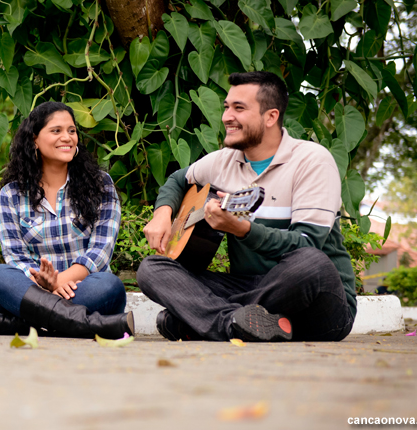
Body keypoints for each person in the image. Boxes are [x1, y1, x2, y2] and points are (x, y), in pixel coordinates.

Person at [137, 72, 356, 342]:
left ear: (271, 117)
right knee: (152, 269)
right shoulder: (222, 161)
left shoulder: (311, 161)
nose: (227, 116)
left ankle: (214, 319)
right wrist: (162, 214)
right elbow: (177, 180)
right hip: (249, 286)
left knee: (311, 264)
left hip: (315, 302)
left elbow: (306, 244)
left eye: (239, 108)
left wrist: (243, 231)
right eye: (227, 107)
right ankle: (237, 323)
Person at [0, 101, 134, 339]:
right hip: (34, 288)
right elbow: (15, 258)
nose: (67, 137)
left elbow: (100, 252)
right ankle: (76, 323)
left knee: (109, 286)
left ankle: (33, 323)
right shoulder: (11, 194)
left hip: (84, 290)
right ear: (34, 139)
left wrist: (57, 283)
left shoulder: (101, 185)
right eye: (56, 131)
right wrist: (44, 285)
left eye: (71, 131)